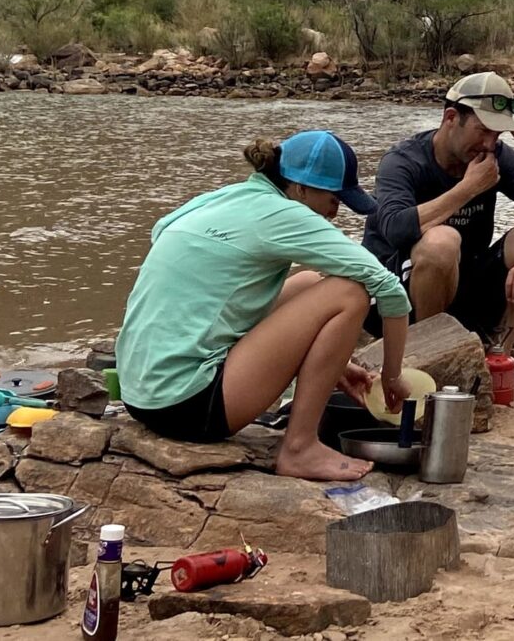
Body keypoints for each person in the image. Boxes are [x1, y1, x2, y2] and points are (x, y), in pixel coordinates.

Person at [116, 131, 411, 482]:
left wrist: (335, 364)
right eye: (334, 198)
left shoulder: (225, 197)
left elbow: (161, 232)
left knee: (308, 283)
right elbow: (389, 289)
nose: (336, 211)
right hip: (189, 406)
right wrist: (392, 376)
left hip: (138, 393)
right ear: (300, 188)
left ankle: (308, 415)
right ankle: (300, 448)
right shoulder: (284, 214)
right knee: (349, 293)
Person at [363, 72, 514, 393]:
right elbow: (396, 229)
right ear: (451, 118)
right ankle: (431, 359)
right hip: (395, 300)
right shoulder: (403, 161)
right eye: (483, 130)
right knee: (442, 241)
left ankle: (499, 356)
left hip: (460, 289)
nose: (489, 143)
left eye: (497, 135)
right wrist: (468, 189)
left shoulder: (494, 157)